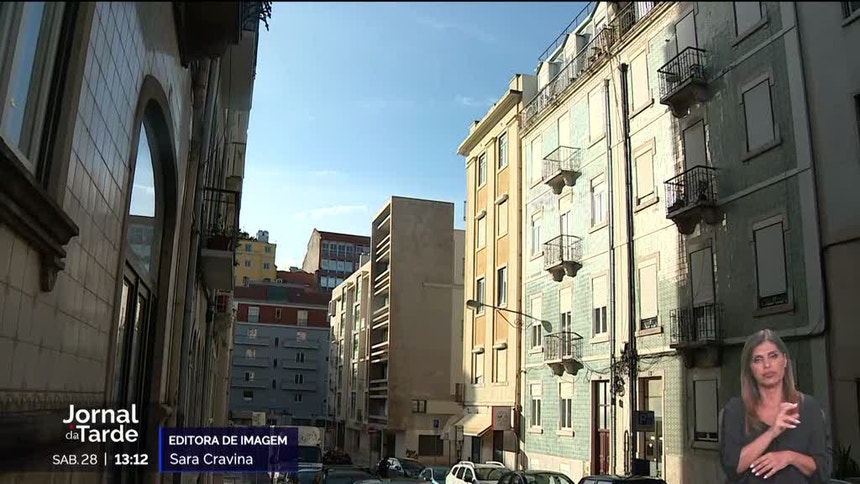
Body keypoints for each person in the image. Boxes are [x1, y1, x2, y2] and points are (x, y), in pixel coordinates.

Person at [720, 329, 832, 483]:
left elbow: (823, 470)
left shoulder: (809, 408)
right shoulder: (735, 410)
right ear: (750, 368)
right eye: (758, 360)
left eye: (773, 356)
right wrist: (772, 432)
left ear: (784, 360)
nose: (767, 365)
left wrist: (789, 457)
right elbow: (733, 467)